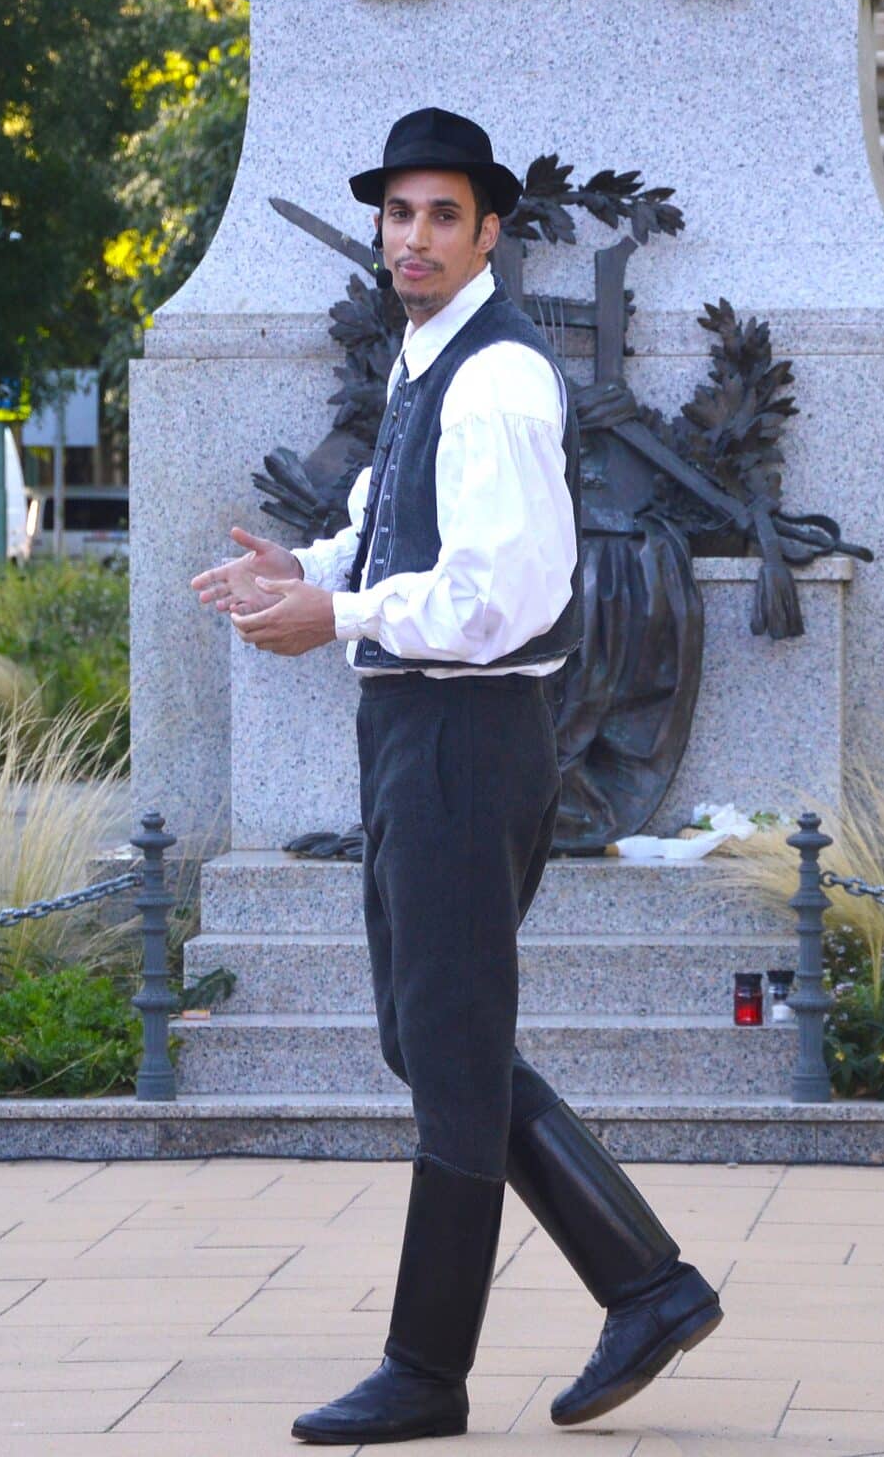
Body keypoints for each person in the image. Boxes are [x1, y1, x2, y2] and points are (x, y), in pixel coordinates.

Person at [190, 106, 724, 1444]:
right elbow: (389, 532)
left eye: (443, 215)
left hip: (470, 732)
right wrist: (306, 570)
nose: (414, 236)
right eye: (398, 213)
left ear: (490, 233)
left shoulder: (496, 381)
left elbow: (503, 594)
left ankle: (430, 1367)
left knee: (448, 1047)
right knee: (432, 1038)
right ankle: (646, 1282)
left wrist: (338, 615)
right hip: (418, 730)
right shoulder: (427, 360)